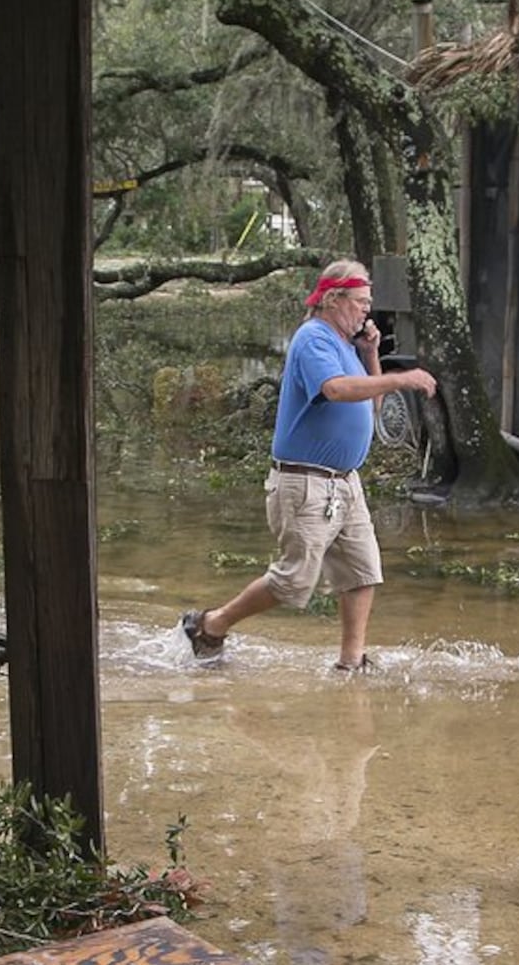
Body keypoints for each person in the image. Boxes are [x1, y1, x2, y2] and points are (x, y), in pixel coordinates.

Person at [182, 260, 435, 672]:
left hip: (344, 484)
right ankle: (210, 625)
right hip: (305, 484)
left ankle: (350, 664)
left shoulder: (348, 347)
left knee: (362, 571)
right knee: (294, 581)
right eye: (361, 302)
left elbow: (367, 406)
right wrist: (401, 378)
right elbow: (335, 390)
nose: (366, 312)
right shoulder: (313, 339)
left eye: (368, 304)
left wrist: (372, 356)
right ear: (334, 299)